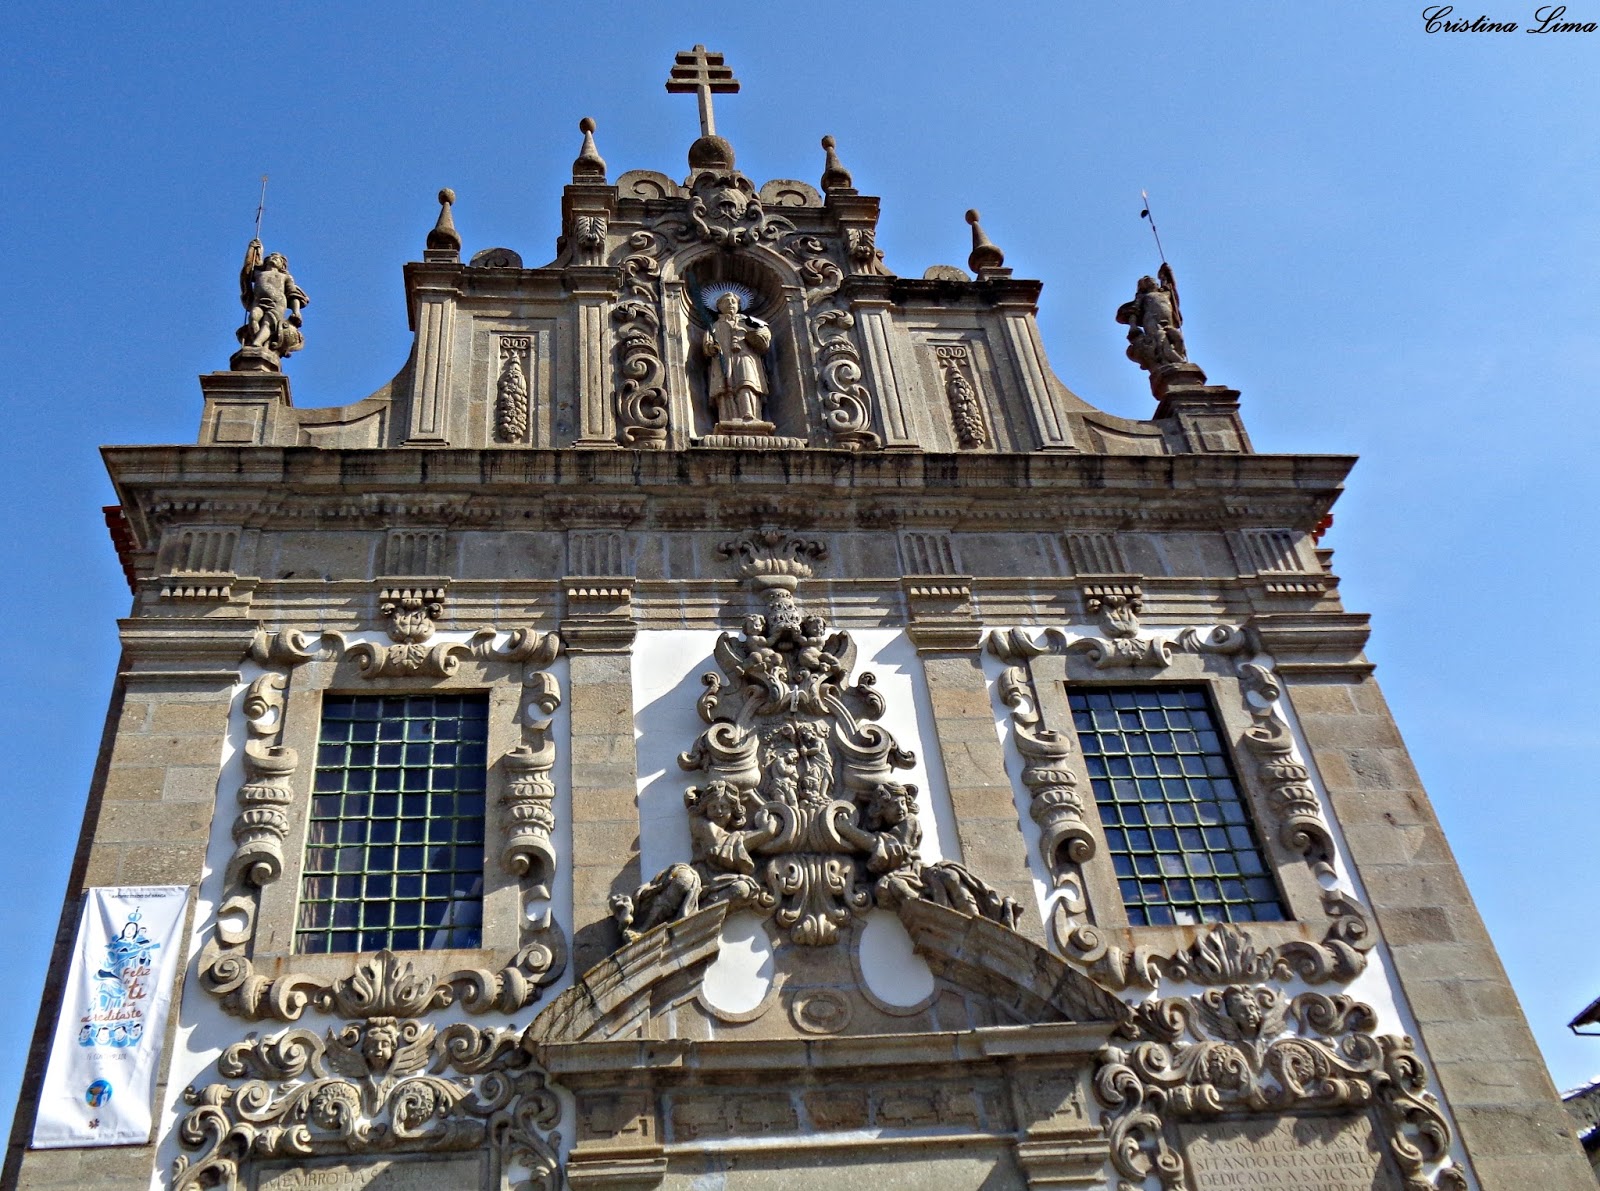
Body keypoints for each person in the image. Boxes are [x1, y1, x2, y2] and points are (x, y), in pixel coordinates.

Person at [703, 291, 770, 425]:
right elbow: (707, 344)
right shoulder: (714, 326)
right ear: (719, 307)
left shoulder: (749, 321)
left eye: (733, 301)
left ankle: (750, 414)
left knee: (747, 382)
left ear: (739, 305)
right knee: (725, 387)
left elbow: (765, 334)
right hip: (723, 359)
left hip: (745, 357)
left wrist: (756, 336)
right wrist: (711, 347)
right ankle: (727, 417)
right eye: (726, 301)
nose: (730, 304)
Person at [237, 239, 309, 357]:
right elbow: (247, 270)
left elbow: (293, 294)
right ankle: (259, 340)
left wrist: (296, 311)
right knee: (253, 318)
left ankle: (257, 343)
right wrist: (253, 250)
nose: (274, 258)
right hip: (258, 301)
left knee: (268, 323)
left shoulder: (285, 277)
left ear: (282, 265)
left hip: (277, 302)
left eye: (278, 258)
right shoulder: (258, 273)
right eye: (271, 257)